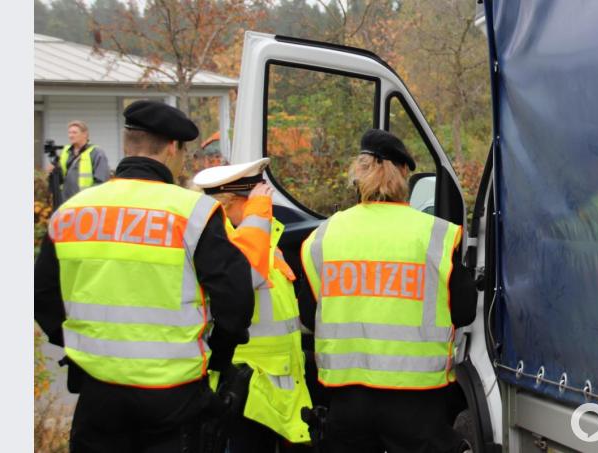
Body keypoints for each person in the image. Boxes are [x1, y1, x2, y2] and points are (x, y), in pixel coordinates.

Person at [34, 100, 257, 452]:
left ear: (127, 144)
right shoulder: (193, 211)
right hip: (173, 397)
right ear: (172, 149)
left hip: (98, 392)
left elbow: (42, 295)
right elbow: (236, 297)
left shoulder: (72, 211)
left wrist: (76, 343)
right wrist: (219, 356)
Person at [299, 129, 477, 453]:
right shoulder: (434, 235)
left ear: (359, 175)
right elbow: (464, 310)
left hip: (346, 401)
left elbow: (309, 314)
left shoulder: (324, 236)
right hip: (416, 405)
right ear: (403, 175)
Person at [193, 159, 313, 452]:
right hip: (242, 387)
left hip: (272, 388)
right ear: (230, 202)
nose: (265, 208)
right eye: (256, 200)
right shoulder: (224, 243)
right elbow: (243, 277)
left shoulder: (261, 242)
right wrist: (257, 219)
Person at [56, 120, 110, 203]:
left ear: (85, 134)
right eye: (69, 133)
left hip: (86, 203)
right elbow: (61, 178)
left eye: (74, 133)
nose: (70, 136)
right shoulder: (65, 151)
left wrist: (89, 199)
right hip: (66, 202)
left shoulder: (96, 153)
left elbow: (101, 182)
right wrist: (54, 170)